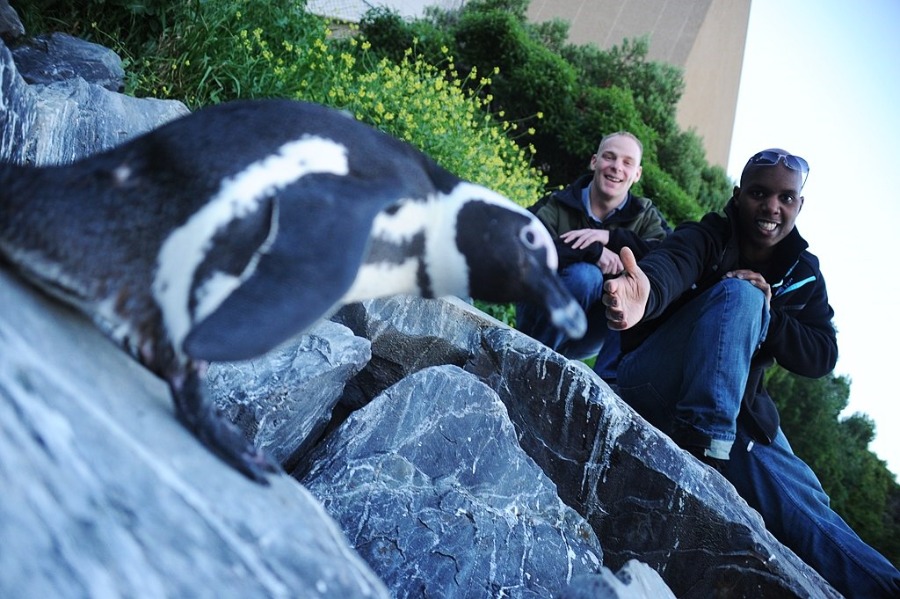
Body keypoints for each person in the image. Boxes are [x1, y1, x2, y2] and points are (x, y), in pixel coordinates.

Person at [603, 149, 900, 598]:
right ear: (739, 196)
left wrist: (773, 316)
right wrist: (644, 294)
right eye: (760, 193)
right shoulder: (707, 235)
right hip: (653, 384)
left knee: (805, 502)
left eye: (786, 197)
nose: (771, 207)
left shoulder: (804, 274)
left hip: (739, 412)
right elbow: (672, 266)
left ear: (800, 206)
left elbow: (822, 353)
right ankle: (703, 461)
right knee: (740, 295)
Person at [516, 131, 669, 379]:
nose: (617, 167)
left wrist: (612, 239)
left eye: (627, 162)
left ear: (637, 174)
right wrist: (592, 251)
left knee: (628, 292)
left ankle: (607, 384)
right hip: (540, 315)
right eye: (609, 157)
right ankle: (530, 361)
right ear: (594, 161)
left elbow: (667, 258)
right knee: (586, 276)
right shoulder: (560, 202)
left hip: (592, 331)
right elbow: (521, 245)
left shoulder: (646, 215)